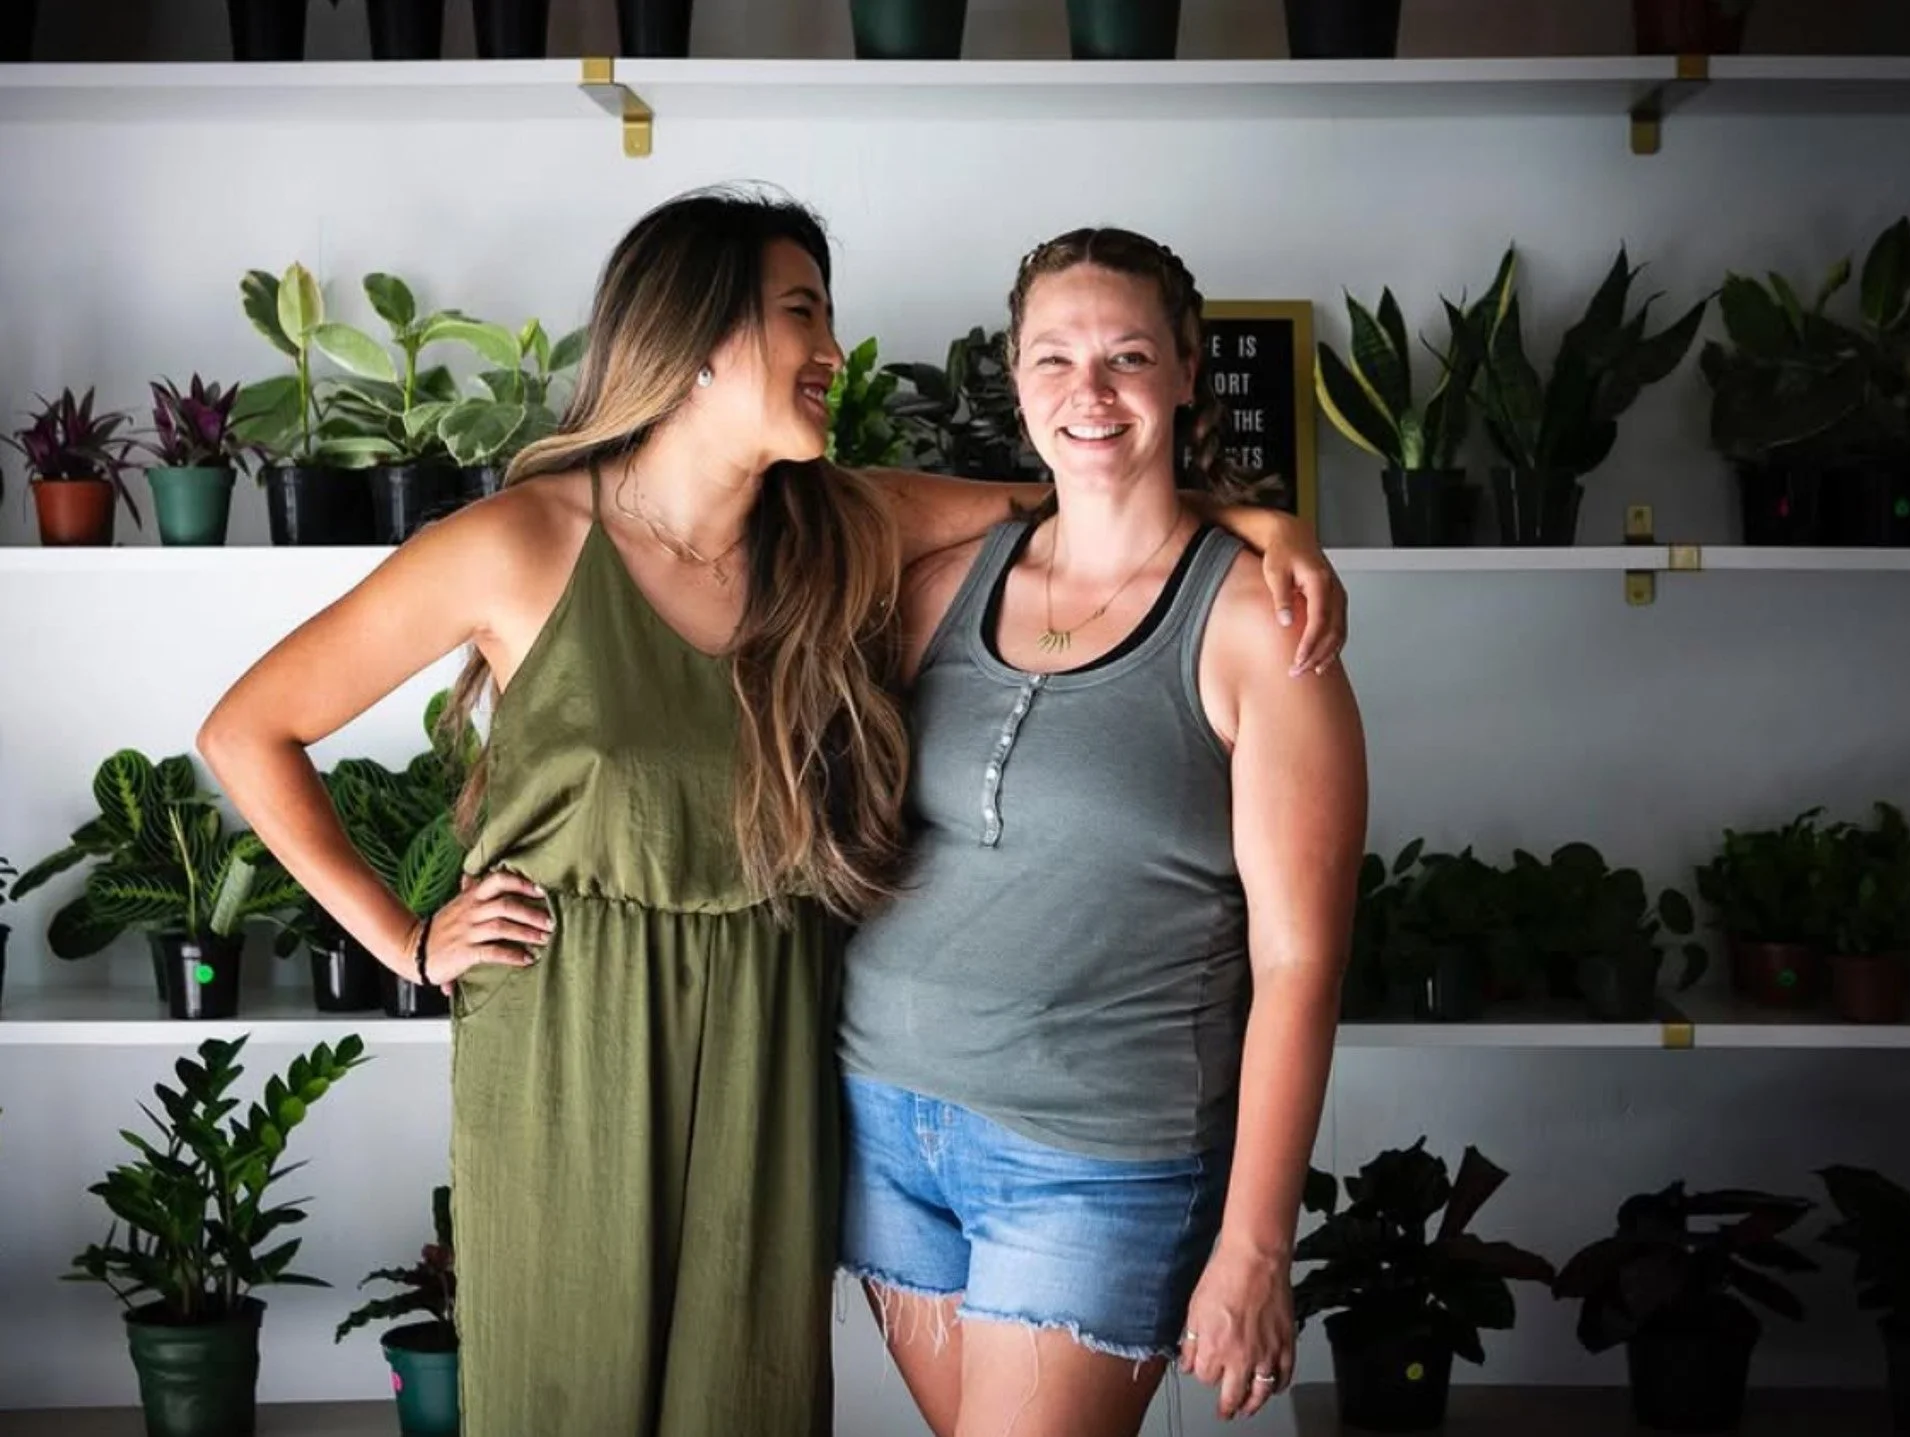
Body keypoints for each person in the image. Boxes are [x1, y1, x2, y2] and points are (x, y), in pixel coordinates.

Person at [196, 188, 1346, 1437]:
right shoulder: (517, 543)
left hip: (781, 1027)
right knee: (561, 1391)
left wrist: (1262, 522)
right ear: (697, 338)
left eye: (825, 314)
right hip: (571, 1037)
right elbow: (247, 730)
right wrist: (404, 939)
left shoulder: (839, 526)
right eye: (803, 312)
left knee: (741, 1398)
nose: (835, 350)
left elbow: (1085, 508)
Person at [836, 225, 1370, 1437]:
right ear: (1014, 381)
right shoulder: (941, 583)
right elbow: (800, 503)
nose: (1088, 391)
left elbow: (1300, 965)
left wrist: (1253, 1247)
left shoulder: (1257, 626)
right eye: (1052, 359)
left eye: (1126, 357)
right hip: (884, 1130)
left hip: (1095, 1160)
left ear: (1187, 371)